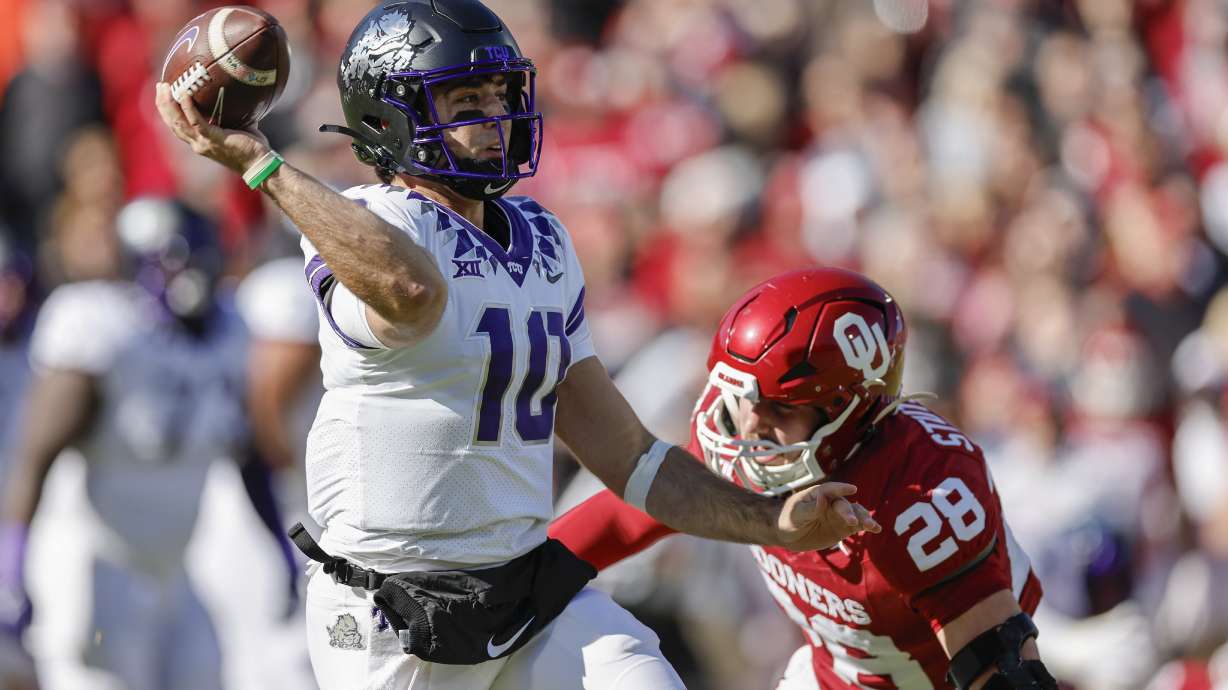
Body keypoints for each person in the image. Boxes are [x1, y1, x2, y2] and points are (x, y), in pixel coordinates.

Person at [153, 1, 880, 689]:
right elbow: (411, 290)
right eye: (466, 102)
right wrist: (263, 165)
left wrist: (771, 521)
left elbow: (628, 456)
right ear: (389, 117)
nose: (496, 119)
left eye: (500, 96)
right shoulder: (364, 223)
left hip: (524, 589)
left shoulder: (542, 238)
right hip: (391, 610)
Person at [549, 268, 1057, 690]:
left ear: (849, 409)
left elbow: (1003, 665)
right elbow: (633, 514)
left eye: (779, 407)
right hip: (830, 675)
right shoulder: (746, 442)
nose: (750, 424)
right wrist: (524, 573)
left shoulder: (924, 492)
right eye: (743, 397)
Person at [0, 198, 292, 690]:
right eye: (174, 260)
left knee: (204, 677)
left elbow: (245, 452)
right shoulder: (101, 326)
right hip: (94, 561)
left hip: (177, 566)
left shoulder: (229, 330)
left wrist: (280, 546)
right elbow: (34, 455)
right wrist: (12, 563)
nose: (192, 273)